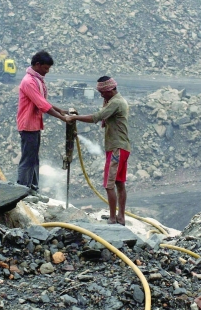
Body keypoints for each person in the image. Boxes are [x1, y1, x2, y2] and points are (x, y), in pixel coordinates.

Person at [68, 76, 131, 225]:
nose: (101, 95)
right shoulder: (116, 101)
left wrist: (74, 118)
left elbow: (97, 117)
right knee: (119, 183)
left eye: (102, 92)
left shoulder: (115, 102)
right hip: (122, 147)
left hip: (116, 148)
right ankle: (120, 217)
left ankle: (112, 218)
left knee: (109, 184)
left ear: (110, 90)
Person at [16, 50, 67, 190]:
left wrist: (60, 110)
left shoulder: (36, 80)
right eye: (45, 68)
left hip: (34, 125)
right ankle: (22, 189)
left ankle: (32, 187)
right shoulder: (29, 82)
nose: (47, 71)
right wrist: (61, 117)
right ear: (37, 65)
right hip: (28, 125)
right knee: (28, 159)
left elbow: (42, 100)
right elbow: (42, 104)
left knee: (33, 158)